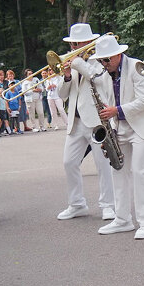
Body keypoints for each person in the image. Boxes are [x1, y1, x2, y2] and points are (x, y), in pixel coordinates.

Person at [90, 34, 144, 239]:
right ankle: (122, 219)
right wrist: (111, 124)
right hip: (119, 126)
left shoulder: (137, 67)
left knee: (139, 172)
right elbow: (105, 104)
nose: (104, 64)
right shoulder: (104, 76)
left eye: (106, 60)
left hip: (140, 127)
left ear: (118, 55)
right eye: (100, 61)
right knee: (118, 171)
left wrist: (116, 110)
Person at [55, 23, 115, 221]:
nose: (73, 47)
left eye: (77, 43)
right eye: (72, 44)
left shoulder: (100, 58)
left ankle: (108, 205)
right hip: (76, 120)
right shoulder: (71, 63)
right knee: (69, 162)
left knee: (103, 164)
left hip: (97, 120)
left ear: (89, 42)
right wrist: (65, 76)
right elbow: (61, 94)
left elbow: (99, 79)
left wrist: (78, 63)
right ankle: (77, 204)